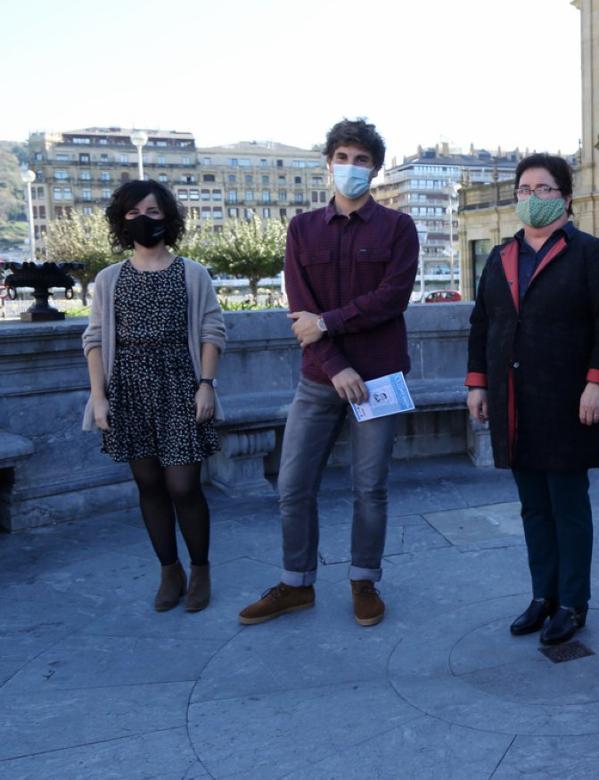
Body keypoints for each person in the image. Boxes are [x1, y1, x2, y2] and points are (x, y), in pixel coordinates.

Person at [239, 119, 419, 628]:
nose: (351, 167)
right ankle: (296, 584)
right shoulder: (302, 230)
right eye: (343, 157)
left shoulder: (398, 229)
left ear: (376, 170)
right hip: (320, 379)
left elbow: (391, 299)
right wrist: (336, 364)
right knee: (293, 485)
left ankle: (364, 580)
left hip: (381, 379)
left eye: (362, 160)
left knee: (371, 488)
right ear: (328, 164)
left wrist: (329, 324)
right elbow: (301, 312)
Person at [465, 153, 599, 646]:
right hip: (515, 400)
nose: (533, 198)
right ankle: (542, 596)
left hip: (569, 400)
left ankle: (573, 602)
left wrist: (597, 381)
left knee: (567, 505)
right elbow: (483, 324)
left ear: (566, 198)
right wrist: (478, 384)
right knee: (532, 506)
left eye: (544, 189)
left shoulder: (590, 254)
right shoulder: (501, 256)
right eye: (525, 190)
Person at [83, 180, 225, 613]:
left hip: (180, 385)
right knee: (148, 484)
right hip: (128, 387)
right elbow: (93, 339)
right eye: (132, 213)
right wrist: (99, 397)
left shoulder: (192, 273)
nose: (143, 219)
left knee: (183, 485)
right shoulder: (109, 279)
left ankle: (200, 569)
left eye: (153, 211)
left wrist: (206, 384)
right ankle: (170, 570)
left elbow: (212, 331)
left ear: (168, 217)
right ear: (121, 221)